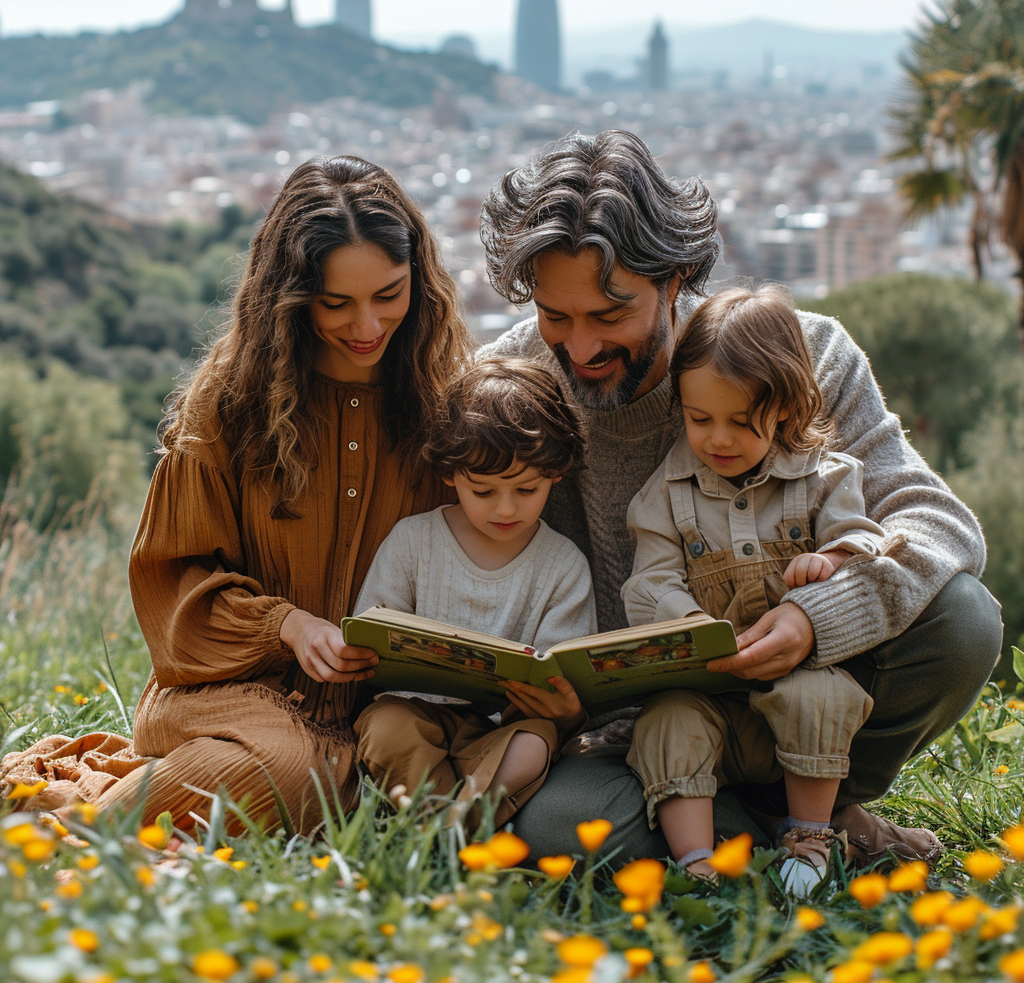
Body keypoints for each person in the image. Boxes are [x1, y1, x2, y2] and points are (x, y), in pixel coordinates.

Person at [478, 128, 1003, 866]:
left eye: (608, 315)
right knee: (566, 830)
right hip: (631, 729)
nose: (580, 349)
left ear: (677, 275)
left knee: (963, 621)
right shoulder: (511, 386)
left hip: (806, 692)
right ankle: (817, 827)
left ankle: (782, 816)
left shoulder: (801, 355)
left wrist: (817, 619)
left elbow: (940, 524)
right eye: (555, 317)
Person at [0, 155, 472, 834]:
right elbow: (172, 587)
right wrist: (285, 625)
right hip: (231, 690)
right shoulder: (229, 408)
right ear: (287, 296)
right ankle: (71, 838)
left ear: (419, 282)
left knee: (396, 776)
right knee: (291, 773)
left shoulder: (443, 405)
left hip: (389, 709)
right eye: (335, 303)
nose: (366, 324)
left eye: (389, 295)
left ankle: (133, 798)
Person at [621, 285, 883, 891]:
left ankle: (811, 839)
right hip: (713, 705)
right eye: (698, 419)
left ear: (787, 408)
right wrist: (685, 619)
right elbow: (648, 580)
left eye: (742, 421)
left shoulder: (827, 477)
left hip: (795, 696)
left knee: (818, 696)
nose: (718, 439)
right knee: (667, 720)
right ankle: (696, 865)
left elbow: (864, 545)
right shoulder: (667, 492)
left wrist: (829, 564)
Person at [353, 356, 596, 827]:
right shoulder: (413, 540)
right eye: (483, 492)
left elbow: (560, 675)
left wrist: (565, 710)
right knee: (386, 730)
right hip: (415, 716)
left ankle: (446, 829)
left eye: (526, 489)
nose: (505, 509)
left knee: (534, 742)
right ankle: (456, 835)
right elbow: (371, 635)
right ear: (449, 473)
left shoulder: (563, 564)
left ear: (557, 472)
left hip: (500, 733)